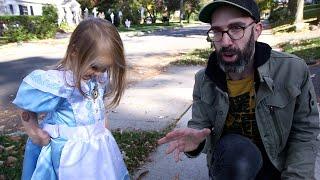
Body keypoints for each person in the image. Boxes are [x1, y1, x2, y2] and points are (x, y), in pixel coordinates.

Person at [158, 0, 320, 179]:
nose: (225, 41)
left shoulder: (293, 71)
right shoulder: (204, 80)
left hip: (277, 168)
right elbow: (199, 128)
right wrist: (196, 142)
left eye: (236, 28)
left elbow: (305, 131)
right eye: (217, 31)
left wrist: (296, 177)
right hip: (230, 170)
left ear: (257, 30)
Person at [13, 18, 129, 180]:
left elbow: (96, 102)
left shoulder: (97, 78)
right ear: (75, 51)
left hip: (98, 149)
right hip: (70, 155)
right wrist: (34, 132)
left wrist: (102, 122)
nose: (99, 73)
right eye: (95, 67)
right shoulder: (60, 84)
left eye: (105, 68)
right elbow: (25, 103)